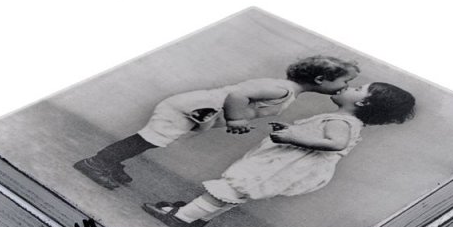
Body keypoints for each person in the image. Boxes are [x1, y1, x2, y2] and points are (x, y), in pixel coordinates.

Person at [142, 82, 416, 227]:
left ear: (362, 102)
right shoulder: (346, 120)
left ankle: (182, 217)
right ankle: (200, 217)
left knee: (237, 184)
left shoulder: (342, 122)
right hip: (287, 163)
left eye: (357, 88)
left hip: (284, 164)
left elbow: (335, 144)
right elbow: (320, 138)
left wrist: (292, 137)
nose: (349, 87)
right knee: (243, 190)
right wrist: (293, 131)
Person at [73, 56, 360, 189]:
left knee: (155, 140)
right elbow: (237, 95)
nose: (346, 86)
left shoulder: (285, 91)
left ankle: (111, 160)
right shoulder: (281, 90)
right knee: (149, 139)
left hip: (196, 114)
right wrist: (236, 119)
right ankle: (96, 162)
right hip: (188, 109)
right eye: (345, 81)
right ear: (321, 79)